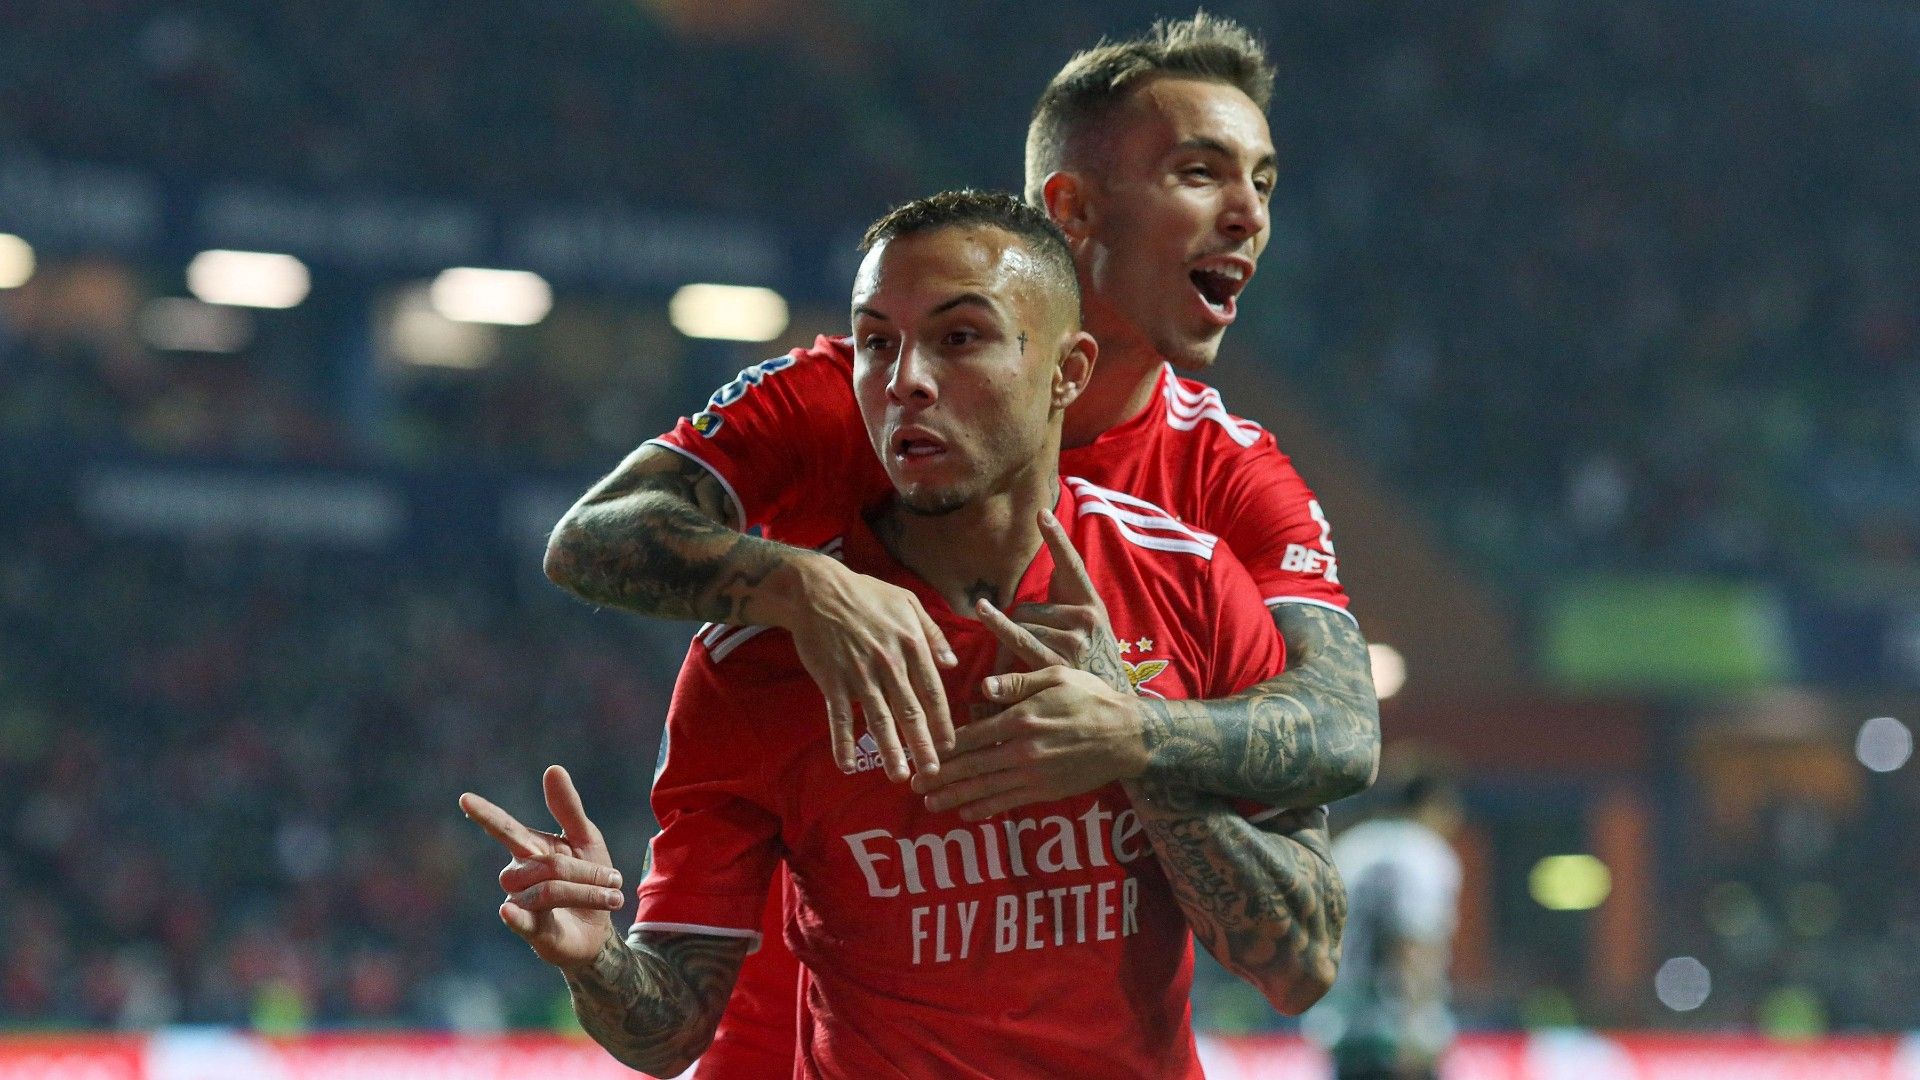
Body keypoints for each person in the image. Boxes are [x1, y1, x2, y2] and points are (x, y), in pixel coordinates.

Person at [542, 17, 1379, 1072]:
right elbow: (589, 541)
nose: (1251, 213)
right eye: (1201, 174)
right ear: (1072, 208)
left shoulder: (1222, 484)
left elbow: (1341, 731)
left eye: (1264, 179)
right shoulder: (841, 395)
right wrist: (800, 584)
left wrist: (1135, 731)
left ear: (1062, 370)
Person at [1307, 750, 1463, 1080]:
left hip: (1345, 1030)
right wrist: (1412, 1033)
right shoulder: (1426, 853)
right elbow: (1413, 947)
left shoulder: (1351, 846)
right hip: (1397, 1038)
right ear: (1432, 802)